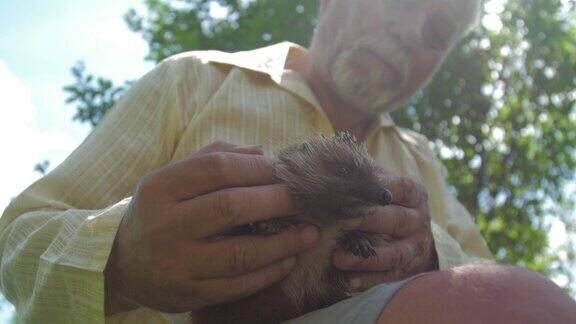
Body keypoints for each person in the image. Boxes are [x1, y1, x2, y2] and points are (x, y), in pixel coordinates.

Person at [1, 0, 575, 323]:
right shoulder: (195, 80)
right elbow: (15, 241)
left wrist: (428, 253)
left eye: (437, 31)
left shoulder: (422, 163)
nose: (407, 32)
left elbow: (502, 291)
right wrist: (119, 261)